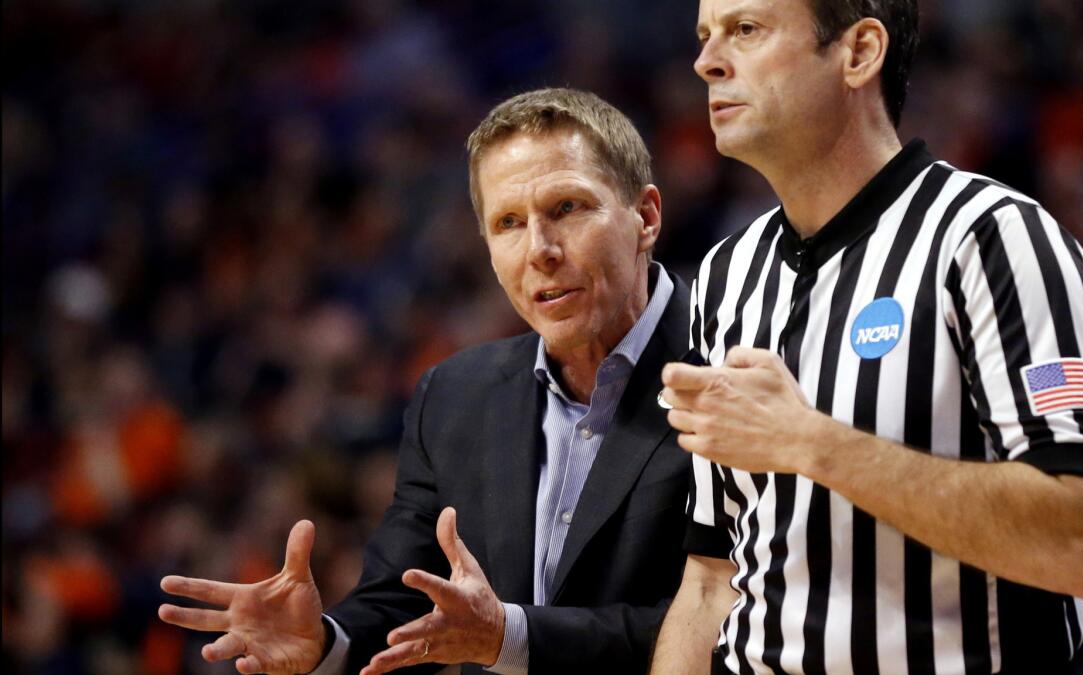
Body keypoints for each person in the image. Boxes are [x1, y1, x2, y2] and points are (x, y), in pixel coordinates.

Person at [650, 1, 1083, 673]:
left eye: (746, 30)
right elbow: (711, 575)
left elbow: (1082, 538)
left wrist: (808, 441)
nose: (706, 61)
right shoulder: (726, 276)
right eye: (704, 36)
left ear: (859, 52)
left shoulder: (993, 240)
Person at [159, 88, 694, 675]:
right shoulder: (455, 395)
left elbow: (731, 618)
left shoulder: (735, 373)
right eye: (508, 223)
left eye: (567, 208)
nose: (539, 250)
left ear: (645, 218)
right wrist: (325, 642)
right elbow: (407, 599)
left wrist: (509, 637)